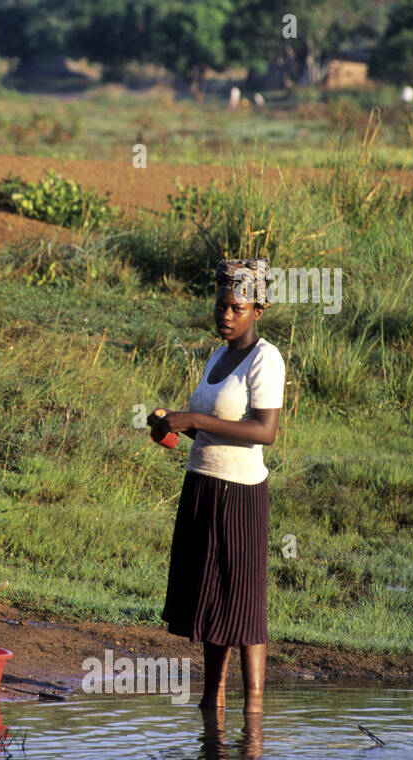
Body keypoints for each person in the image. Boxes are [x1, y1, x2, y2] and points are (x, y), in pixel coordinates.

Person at [153, 259, 286, 715]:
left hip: (240, 493)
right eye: (221, 304)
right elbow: (213, 431)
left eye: (237, 307)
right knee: (210, 598)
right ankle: (212, 700)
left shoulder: (265, 358)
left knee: (243, 602)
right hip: (202, 486)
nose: (225, 315)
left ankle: (253, 712)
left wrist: (194, 419)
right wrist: (173, 426)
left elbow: (264, 431)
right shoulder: (217, 356)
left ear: (258, 310)